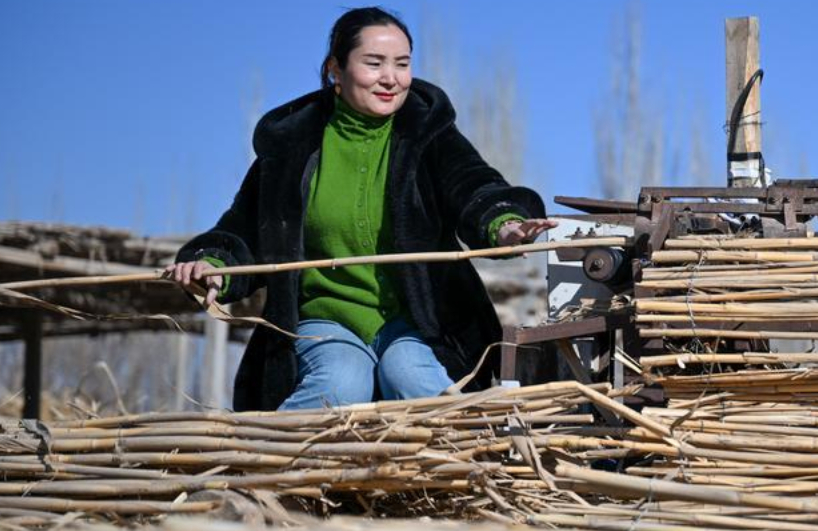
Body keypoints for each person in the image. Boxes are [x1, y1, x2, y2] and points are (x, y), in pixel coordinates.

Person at [166, 6, 556, 411]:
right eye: (374, 63)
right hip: (325, 317)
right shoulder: (291, 147)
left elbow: (474, 186)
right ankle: (253, 467)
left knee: (415, 380)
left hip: (418, 322)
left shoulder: (428, 133)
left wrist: (505, 222)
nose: (391, 78)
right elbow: (244, 229)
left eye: (402, 64)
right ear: (336, 68)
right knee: (340, 383)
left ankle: (462, 469)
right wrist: (211, 263)